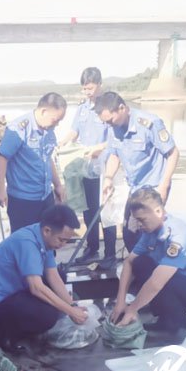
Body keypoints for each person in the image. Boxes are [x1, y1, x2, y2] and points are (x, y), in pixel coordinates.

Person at [110, 187, 186, 344]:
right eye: (136, 220)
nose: (139, 225)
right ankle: (166, 320)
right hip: (183, 281)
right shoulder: (150, 232)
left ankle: (182, 326)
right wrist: (120, 302)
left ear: (158, 211)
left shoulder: (178, 235)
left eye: (142, 220)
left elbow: (157, 282)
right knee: (141, 263)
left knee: (161, 277)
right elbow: (129, 262)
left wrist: (132, 309)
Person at [0, 204, 88, 348]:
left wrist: (72, 305)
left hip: (16, 290)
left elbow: (53, 276)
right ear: (47, 230)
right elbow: (36, 288)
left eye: (66, 241)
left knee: (61, 275)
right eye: (61, 240)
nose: (63, 244)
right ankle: (3, 333)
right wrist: (71, 312)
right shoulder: (27, 243)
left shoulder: (44, 237)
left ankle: (24, 321)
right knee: (47, 317)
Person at [95, 91, 180, 251]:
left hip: (154, 188)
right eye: (105, 122)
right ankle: (138, 263)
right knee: (129, 233)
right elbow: (114, 154)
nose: (109, 125)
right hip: (135, 188)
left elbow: (173, 153)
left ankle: (157, 263)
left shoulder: (150, 124)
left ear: (122, 108)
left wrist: (164, 185)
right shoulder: (114, 127)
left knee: (149, 233)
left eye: (110, 120)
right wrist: (108, 178)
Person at [59, 67, 117, 267]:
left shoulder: (107, 106)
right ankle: (92, 249)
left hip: (104, 169)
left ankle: (110, 254)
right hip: (86, 167)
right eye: (84, 89)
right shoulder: (82, 108)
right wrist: (63, 142)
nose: (87, 92)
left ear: (100, 84)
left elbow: (114, 139)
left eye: (90, 88)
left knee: (106, 213)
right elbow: (74, 131)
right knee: (89, 210)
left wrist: (99, 148)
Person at [0, 93, 67, 233]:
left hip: (45, 196)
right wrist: (0, 190)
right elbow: (2, 158)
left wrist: (58, 185)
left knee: (48, 237)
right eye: (55, 120)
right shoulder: (18, 129)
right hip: (23, 200)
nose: (57, 124)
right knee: (24, 240)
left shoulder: (48, 130)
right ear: (44, 111)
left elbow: (47, 158)